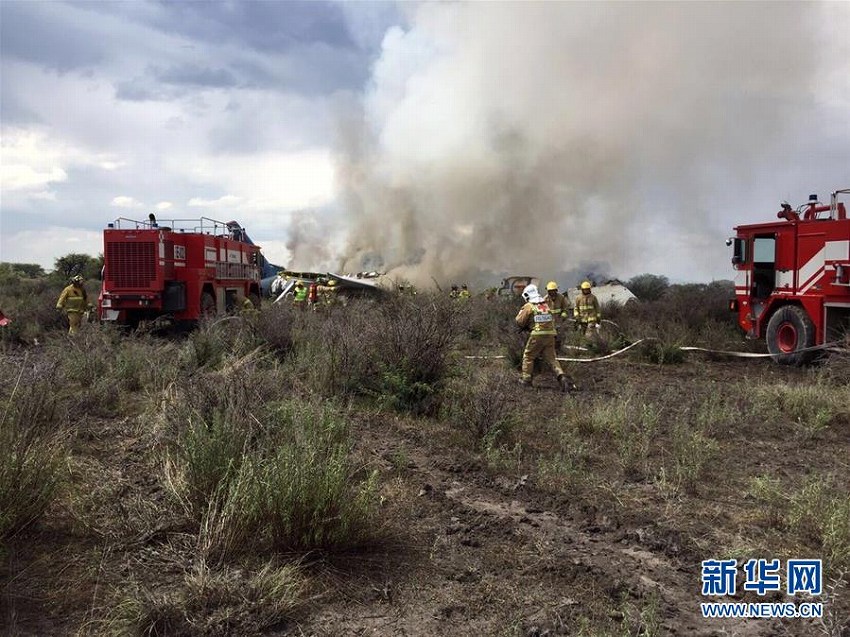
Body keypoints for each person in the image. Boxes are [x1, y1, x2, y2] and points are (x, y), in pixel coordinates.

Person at [515, 283, 572, 392]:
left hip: (537, 335)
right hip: (550, 334)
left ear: (527, 296)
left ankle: (526, 380)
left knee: (528, 356)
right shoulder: (545, 305)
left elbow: (519, 321)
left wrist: (526, 324)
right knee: (552, 358)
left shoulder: (529, 306)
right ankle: (562, 377)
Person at [545, 281, 570, 351]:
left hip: (559, 320)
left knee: (559, 336)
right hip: (549, 322)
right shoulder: (545, 299)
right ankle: (551, 350)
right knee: (550, 337)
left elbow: (565, 308)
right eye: (550, 291)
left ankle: (558, 349)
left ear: (556, 290)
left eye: (553, 291)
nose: (552, 292)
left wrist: (563, 315)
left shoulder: (561, 298)